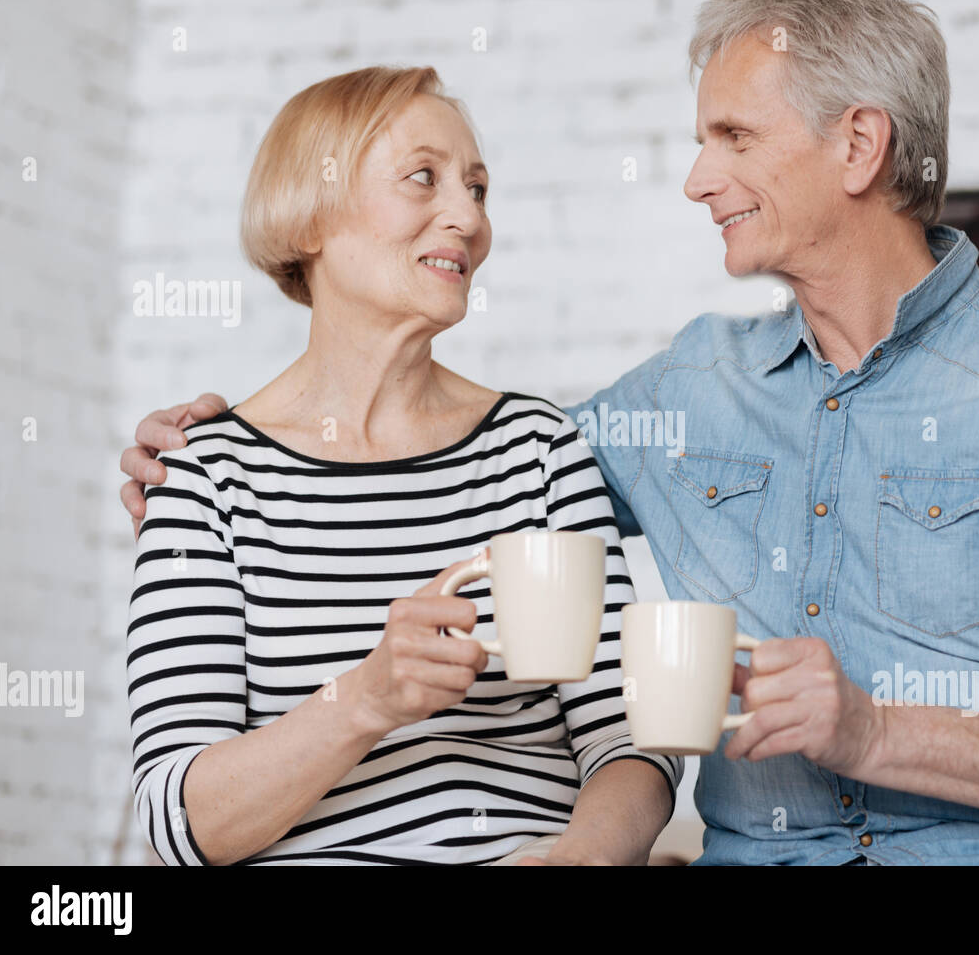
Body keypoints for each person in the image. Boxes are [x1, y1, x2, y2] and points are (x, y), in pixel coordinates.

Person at [121, 0, 979, 865]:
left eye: (732, 136)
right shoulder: (681, 394)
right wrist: (211, 443)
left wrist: (874, 732)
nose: (696, 179)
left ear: (857, 145)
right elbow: (462, 458)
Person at [123, 65, 680, 865]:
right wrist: (367, 700)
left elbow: (629, 733)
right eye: (424, 178)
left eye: (479, 189)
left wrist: (583, 857)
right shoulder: (204, 478)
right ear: (309, 213)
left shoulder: (537, 447)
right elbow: (181, 822)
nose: (468, 218)